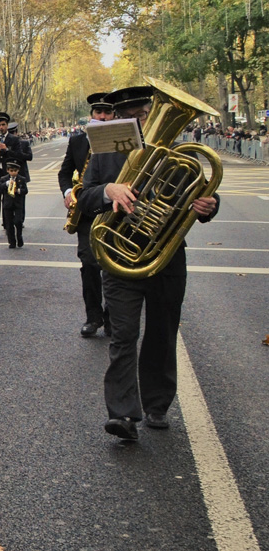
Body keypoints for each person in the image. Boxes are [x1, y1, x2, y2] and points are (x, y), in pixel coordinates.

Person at [78, 85, 220, 441]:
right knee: (124, 336)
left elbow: (201, 196)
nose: (138, 121)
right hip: (120, 254)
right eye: (129, 116)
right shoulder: (105, 151)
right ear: (118, 118)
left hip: (167, 257)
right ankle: (123, 414)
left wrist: (208, 206)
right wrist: (109, 191)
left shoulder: (178, 153)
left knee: (162, 332)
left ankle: (157, 403)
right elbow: (85, 195)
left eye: (143, 114)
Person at [58, 92, 115, 337]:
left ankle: (114, 318)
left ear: (114, 115)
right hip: (87, 212)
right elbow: (64, 172)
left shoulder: (123, 139)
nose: (102, 117)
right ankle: (94, 317)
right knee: (89, 265)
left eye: (107, 112)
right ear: (92, 114)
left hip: (115, 211)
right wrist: (68, 191)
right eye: (98, 112)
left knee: (114, 267)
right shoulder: (78, 141)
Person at [0, 113, 28, 237]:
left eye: (3, 125)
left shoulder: (14, 140)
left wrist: (7, 150)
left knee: (8, 199)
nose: (1, 127)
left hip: (8, 173)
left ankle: (7, 223)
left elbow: (20, 156)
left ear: (7, 125)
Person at [0, 161, 29, 248]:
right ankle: (12, 242)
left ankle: (19, 237)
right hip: (8, 204)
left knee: (18, 221)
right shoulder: (4, 179)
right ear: (8, 170)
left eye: (15, 170)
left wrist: (18, 191)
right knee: (9, 224)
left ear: (18, 170)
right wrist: (6, 184)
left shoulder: (21, 179)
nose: (13, 172)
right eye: (11, 170)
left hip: (18, 204)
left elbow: (25, 190)